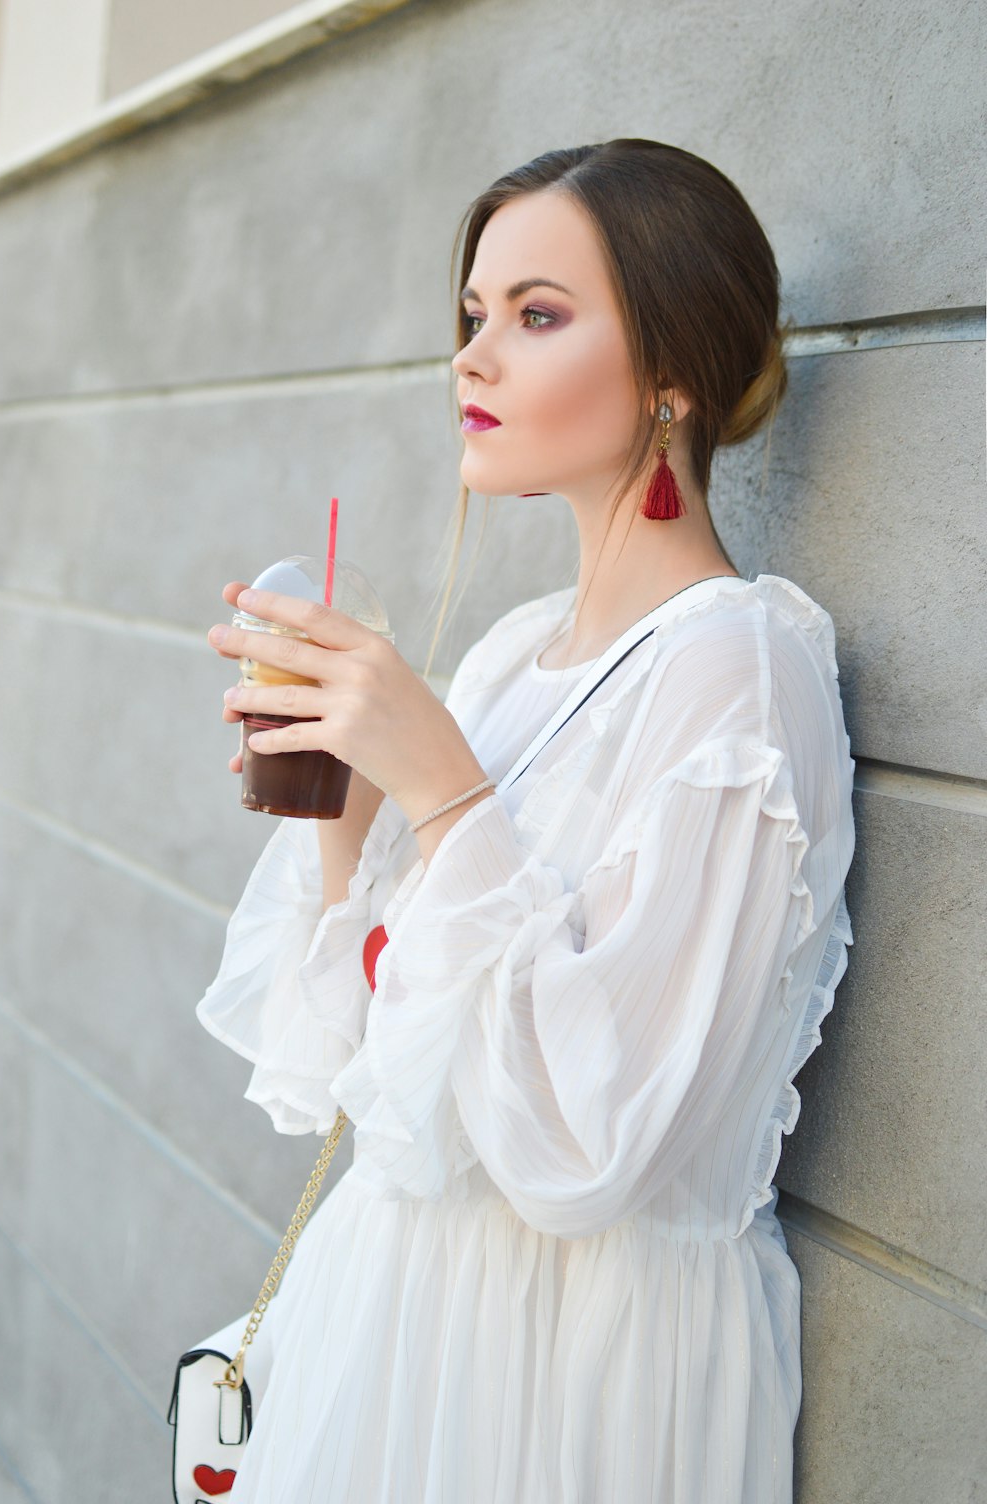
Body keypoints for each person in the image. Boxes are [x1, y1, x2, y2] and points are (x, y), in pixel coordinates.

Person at [199, 139, 855, 1503]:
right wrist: (346, 799)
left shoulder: (737, 669)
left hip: (568, 1371)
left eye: (537, 315)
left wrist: (442, 789)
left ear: (672, 373)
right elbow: (345, 1069)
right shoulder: (505, 658)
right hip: (392, 1319)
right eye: (471, 318)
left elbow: (585, 1145)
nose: (473, 359)